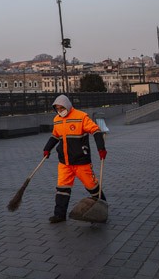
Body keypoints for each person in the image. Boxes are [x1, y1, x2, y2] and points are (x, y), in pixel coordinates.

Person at [43, 94, 107, 223]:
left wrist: (101, 148)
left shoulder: (81, 117)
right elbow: (55, 136)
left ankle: (102, 207)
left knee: (91, 186)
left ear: (67, 105)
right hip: (64, 162)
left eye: (62, 108)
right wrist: (47, 148)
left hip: (81, 161)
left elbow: (95, 130)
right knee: (62, 189)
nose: (60, 111)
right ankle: (59, 215)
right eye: (57, 109)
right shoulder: (57, 119)